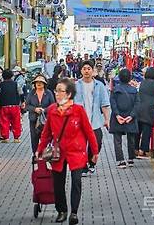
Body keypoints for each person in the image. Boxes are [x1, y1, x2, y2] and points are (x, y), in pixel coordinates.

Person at [37, 78, 99, 225]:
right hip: (58, 152)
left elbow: (89, 132)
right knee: (58, 183)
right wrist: (39, 150)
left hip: (76, 152)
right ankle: (62, 210)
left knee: (76, 182)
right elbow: (46, 133)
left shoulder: (78, 110)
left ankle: (74, 213)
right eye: (56, 91)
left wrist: (94, 152)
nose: (57, 94)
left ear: (69, 93)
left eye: (61, 91)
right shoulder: (52, 110)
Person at [73, 60, 111, 176]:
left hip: (95, 122)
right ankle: (83, 166)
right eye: (84, 69)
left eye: (88, 68)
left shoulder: (99, 85)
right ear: (81, 71)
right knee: (81, 145)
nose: (86, 71)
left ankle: (91, 162)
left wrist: (107, 119)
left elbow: (105, 104)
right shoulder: (76, 86)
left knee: (97, 143)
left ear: (92, 70)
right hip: (79, 122)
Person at [109, 68, 140, 168]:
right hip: (130, 117)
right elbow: (137, 104)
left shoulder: (115, 90)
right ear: (129, 78)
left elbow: (113, 104)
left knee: (117, 139)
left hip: (117, 118)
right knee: (131, 138)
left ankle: (120, 160)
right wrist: (131, 116)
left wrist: (117, 115)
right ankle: (131, 158)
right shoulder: (134, 90)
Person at [26, 74, 56, 154]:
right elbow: (27, 105)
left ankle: (46, 155)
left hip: (46, 120)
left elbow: (53, 105)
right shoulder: (31, 93)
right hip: (33, 120)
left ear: (44, 84)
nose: (39, 84)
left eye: (41, 82)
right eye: (37, 82)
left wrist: (44, 110)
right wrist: (34, 109)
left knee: (46, 138)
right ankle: (35, 155)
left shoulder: (49, 93)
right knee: (34, 138)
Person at [0, 70, 23, 143]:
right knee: (16, 121)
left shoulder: (1, 84)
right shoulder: (15, 84)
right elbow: (20, 93)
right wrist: (23, 101)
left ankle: (6, 138)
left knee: (4, 122)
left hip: (4, 106)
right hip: (15, 106)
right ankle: (16, 138)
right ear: (12, 76)